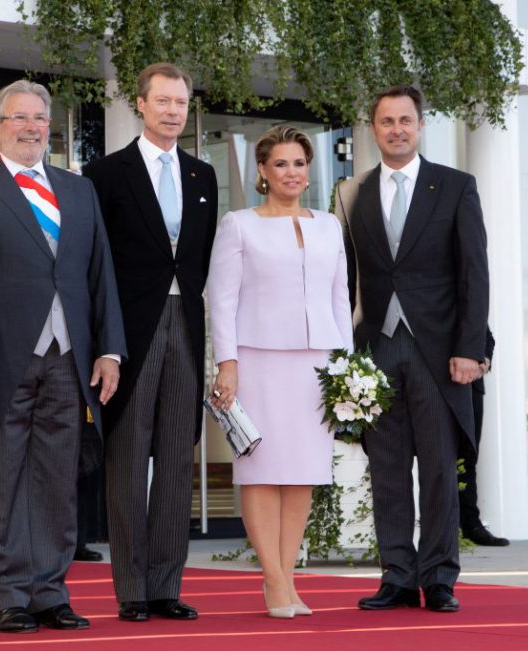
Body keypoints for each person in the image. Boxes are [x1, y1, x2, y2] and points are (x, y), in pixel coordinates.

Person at [0, 79, 126, 634]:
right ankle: (7, 595)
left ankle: (48, 591)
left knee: (56, 480)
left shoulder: (77, 190)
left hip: (69, 359)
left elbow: (99, 274)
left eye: (40, 118)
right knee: (1, 478)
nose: (32, 127)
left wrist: (109, 349)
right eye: (19, 118)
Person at [336, 84, 489, 613]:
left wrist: (470, 348)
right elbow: (346, 277)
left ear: (420, 126)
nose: (396, 129)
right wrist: (345, 353)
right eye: (386, 122)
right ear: (373, 128)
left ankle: (440, 577)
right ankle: (397, 576)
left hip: (440, 352)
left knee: (441, 470)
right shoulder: (351, 191)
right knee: (387, 469)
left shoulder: (455, 187)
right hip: (377, 350)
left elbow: (474, 274)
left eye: (405, 120)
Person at [84, 62, 218, 623]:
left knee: (175, 463)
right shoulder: (104, 174)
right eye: (162, 101)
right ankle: (131, 589)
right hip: (129, 334)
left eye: (180, 103)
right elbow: (95, 266)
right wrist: (104, 342)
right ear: (140, 104)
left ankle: (166, 585)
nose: (172, 112)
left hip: (185, 324)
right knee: (127, 459)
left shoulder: (203, 177)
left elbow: (201, 261)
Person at [208, 125, 354, 618]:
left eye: (299, 164)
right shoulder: (239, 224)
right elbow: (222, 301)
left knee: (302, 476)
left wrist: (348, 367)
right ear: (263, 173)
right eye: (281, 164)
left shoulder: (328, 226)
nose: (292, 173)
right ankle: (273, 581)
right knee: (261, 473)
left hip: (318, 362)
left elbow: (340, 296)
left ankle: (287, 578)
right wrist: (227, 364)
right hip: (258, 359)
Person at [459, 327, 509, 546]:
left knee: (468, 457)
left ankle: (471, 525)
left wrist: (484, 361)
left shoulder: (470, 301)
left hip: (471, 388)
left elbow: (487, 336)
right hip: (439, 384)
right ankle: (444, 528)